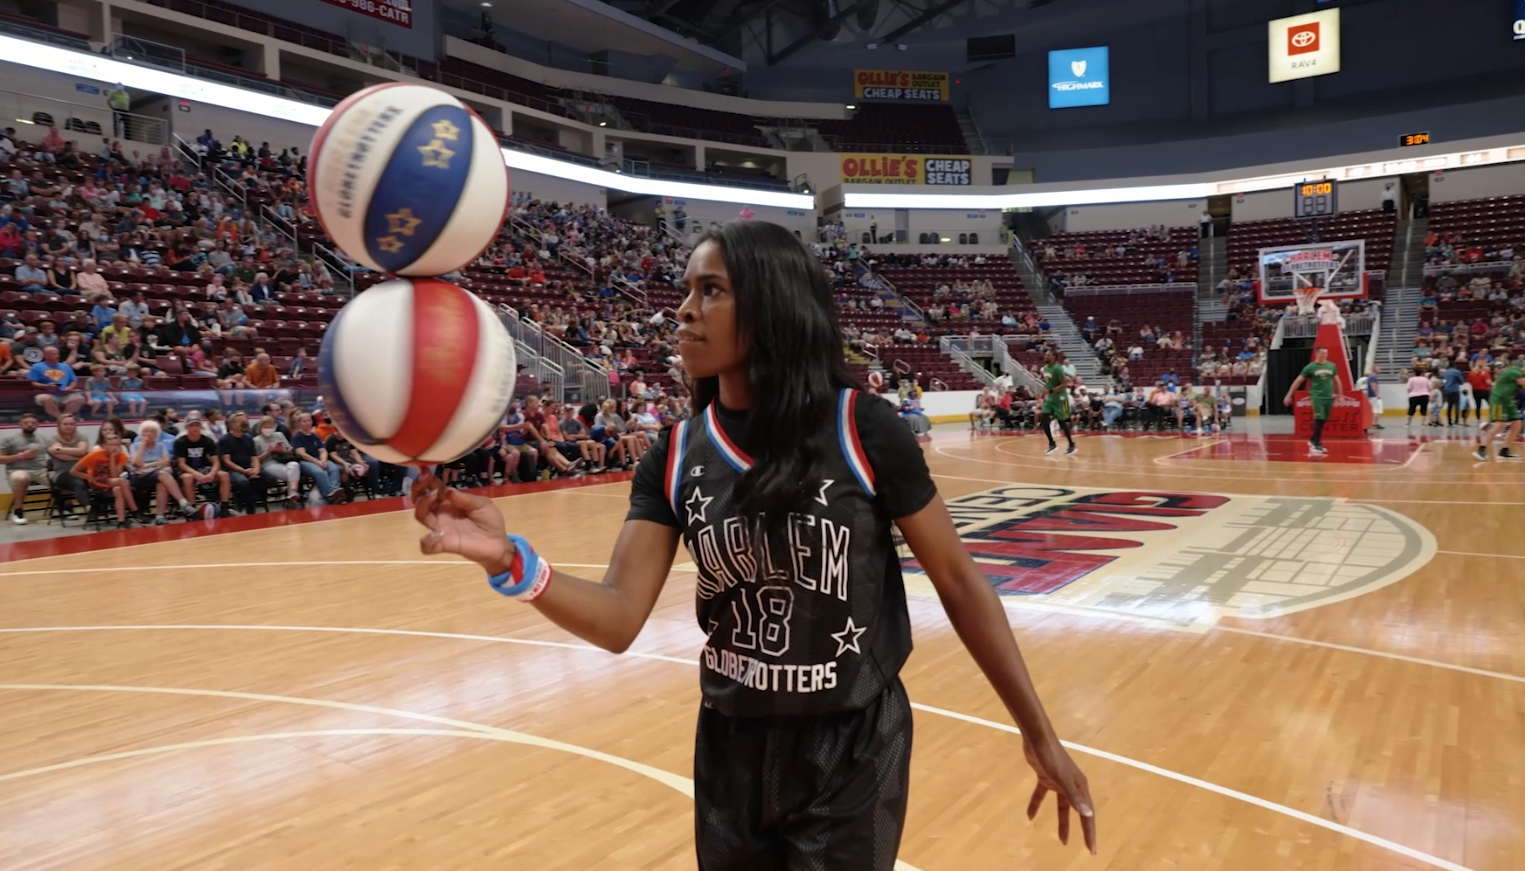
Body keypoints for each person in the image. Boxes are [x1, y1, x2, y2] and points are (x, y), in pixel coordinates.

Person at [406, 221, 1096, 870]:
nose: (683, 310)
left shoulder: (861, 427)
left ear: (771, 307)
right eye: (684, 290)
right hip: (730, 744)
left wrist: (1037, 730)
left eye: (711, 290)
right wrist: (508, 560)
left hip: (850, 742)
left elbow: (958, 582)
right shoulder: (674, 455)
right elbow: (618, 616)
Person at [72, 431, 136, 529]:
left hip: (112, 481)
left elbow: (115, 475)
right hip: (97, 481)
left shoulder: (122, 456)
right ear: (104, 446)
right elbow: (73, 471)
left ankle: (121, 520)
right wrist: (88, 477)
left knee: (118, 489)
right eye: (111, 445)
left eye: (117, 445)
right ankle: (134, 510)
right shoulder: (95, 454)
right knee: (123, 481)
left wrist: (112, 458)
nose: (114, 447)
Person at [1285, 346, 1339, 455]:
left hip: (1328, 396)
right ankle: (1317, 443)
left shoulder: (1331, 366)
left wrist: (1339, 393)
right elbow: (1298, 381)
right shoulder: (1310, 367)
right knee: (1319, 418)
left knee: (1324, 419)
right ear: (1317, 354)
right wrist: (1289, 395)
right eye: (1322, 353)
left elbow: (1336, 380)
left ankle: (1313, 439)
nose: (1324, 355)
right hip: (1316, 396)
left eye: (1326, 353)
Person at [175, 416, 231, 514]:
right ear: (186, 428)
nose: (195, 428)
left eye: (197, 425)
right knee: (188, 478)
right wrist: (196, 475)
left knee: (224, 475)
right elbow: (181, 464)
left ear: (201, 426)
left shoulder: (208, 441)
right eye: (192, 425)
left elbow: (216, 461)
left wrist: (212, 474)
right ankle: (192, 510)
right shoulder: (180, 442)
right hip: (188, 470)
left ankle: (224, 507)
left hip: (204, 468)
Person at [1, 412, 49, 525]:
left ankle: (66, 506)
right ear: (20, 424)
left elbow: (52, 451)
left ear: (37, 425)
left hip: (41, 470)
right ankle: (18, 511)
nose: (30, 425)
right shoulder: (9, 439)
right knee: (22, 478)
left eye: (33, 423)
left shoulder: (42, 438)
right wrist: (21, 456)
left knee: (61, 477)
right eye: (26, 423)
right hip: (17, 469)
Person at [1474, 355, 1522, 461]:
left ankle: (1504, 451)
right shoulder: (1514, 371)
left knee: (1517, 424)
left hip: (1508, 401)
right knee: (1499, 424)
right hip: (1498, 400)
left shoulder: (1515, 372)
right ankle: (1481, 449)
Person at [28, 345, 86, 420]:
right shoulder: (36, 367)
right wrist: (47, 386)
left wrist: (69, 388)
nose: (57, 356)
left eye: (57, 354)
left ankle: (64, 417)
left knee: (80, 398)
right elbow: (33, 383)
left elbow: (74, 381)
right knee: (46, 399)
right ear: (46, 356)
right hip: (47, 393)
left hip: (65, 393)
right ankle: (61, 419)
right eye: (54, 354)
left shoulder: (65, 366)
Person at [1037, 350, 1077, 456]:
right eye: (1045, 354)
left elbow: (1064, 384)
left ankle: (1071, 445)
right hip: (1050, 398)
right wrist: (1043, 394)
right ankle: (1051, 443)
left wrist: (1050, 391)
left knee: (1062, 422)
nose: (1046, 356)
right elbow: (1047, 383)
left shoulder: (1058, 368)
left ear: (1054, 357)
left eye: (1048, 355)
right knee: (1044, 418)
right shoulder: (1045, 368)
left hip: (1061, 398)